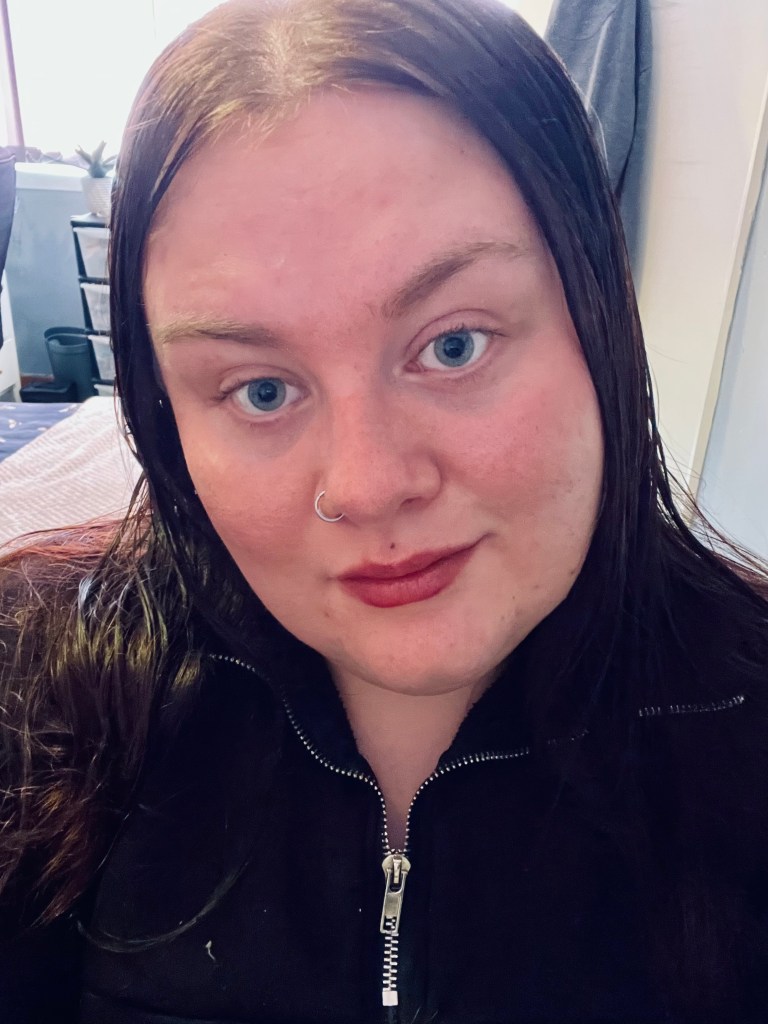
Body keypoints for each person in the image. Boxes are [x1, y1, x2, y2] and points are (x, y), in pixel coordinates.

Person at [1, 0, 767, 1021]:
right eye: (260, 390)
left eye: (454, 345)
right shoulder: (35, 699)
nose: (364, 485)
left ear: (599, 320)